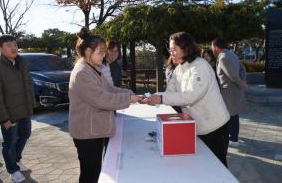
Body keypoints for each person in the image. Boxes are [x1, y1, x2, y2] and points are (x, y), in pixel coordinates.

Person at [145, 32, 230, 167]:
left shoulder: (200, 66)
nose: (171, 53)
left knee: (218, 166)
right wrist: (150, 98)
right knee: (202, 166)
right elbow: (170, 93)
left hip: (215, 127)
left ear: (185, 49)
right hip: (197, 126)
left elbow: (191, 96)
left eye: (174, 50)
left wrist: (160, 98)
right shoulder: (179, 69)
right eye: (170, 50)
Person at [68, 27, 142, 183]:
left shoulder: (93, 69)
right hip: (86, 132)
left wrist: (129, 94)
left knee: (94, 169)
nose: (104, 55)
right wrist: (129, 99)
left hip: (92, 129)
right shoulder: (82, 72)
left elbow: (110, 88)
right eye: (100, 52)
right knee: (90, 173)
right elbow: (102, 99)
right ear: (88, 52)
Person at [0, 34, 36, 183]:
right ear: (0, 49)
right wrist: (4, 119)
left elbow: (28, 86)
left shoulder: (21, 63)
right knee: (9, 143)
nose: (14, 48)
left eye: (15, 45)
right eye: (9, 45)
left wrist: (31, 106)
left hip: (25, 111)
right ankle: (12, 169)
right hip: (10, 115)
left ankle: (16, 160)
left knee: (24, 136)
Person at [212, 37, 248, 147]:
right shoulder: (232, 54)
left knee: (231, 115)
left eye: (212, 46)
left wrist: (243, 84)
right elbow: (243, 69)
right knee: (233, 114)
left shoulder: (223, 58)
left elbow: (232, 75)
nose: (212, 49)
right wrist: (242, 81)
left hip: (228, 92)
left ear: (216, 47)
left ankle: (233, 139)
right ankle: (232, 136)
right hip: (234, 90)